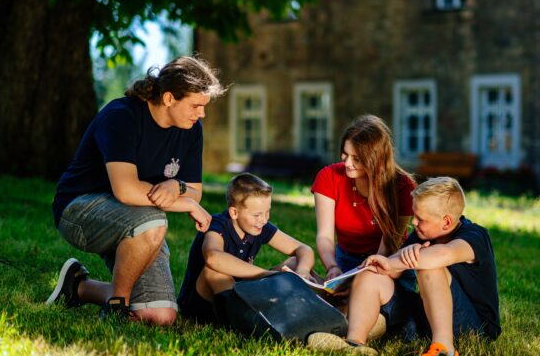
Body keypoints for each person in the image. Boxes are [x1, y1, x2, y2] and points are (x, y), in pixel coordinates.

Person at [46, 56, 225, 325]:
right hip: (80, 209)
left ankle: (77, 287)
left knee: (160, 316)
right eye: (196, 106)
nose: (202, 114)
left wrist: (178, 186)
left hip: (136, 219)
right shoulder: (122, 116)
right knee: (154, 220)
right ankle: (116, 306)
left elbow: (193, 191)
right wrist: (185, 203)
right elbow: (126, 190)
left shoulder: (191, 130)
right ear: (168, 98)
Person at [308, 177, 500, 356]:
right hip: (425, 320)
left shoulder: (475, 236)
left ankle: (443, 348)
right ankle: (354, 343)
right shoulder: (423, 235)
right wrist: (376, 269)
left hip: (471, 325)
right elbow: (392, 270)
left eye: (421, 219)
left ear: (447, 222)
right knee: (372, 275)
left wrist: (393, 261)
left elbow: (442, 254)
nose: (413, 222)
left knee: (430, 266)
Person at [177, 173, 315, 324]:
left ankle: (321, 309)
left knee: (296, 263)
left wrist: (302, 272)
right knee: (213, 271)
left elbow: (303, 249)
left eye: (267, 211)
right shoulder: (217, 225)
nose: (264, 219)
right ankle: (255, 322)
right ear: (234, 212)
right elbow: (213, 257)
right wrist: (268, 275)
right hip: (201, 306)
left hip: (241, 293)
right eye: (257, 215)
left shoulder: (259, 226)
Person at [311, 114, 416, 282]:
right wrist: (332, 266)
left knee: (366, 300)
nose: (347, 164)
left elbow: (389, 243)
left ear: (376, 159)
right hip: (345, 260)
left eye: (357, 159)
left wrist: (369, 271)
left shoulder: (402, 187)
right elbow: (325, 236)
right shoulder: (328, 177)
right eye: (345, 154)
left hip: (389, 262)